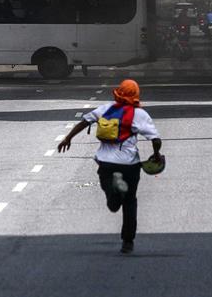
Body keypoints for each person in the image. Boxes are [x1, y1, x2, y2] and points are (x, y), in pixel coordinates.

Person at [57, 79, 162, 254]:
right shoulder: (140, 114)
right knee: (130, 201)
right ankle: (128, 242)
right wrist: (156, 153)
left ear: (118, 92)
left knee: (113, 202)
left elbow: (84, 121)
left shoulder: (105, 109)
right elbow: (156, 140)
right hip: (129, 164)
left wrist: (68, 138)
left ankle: (113, 194)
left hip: (106, 163)